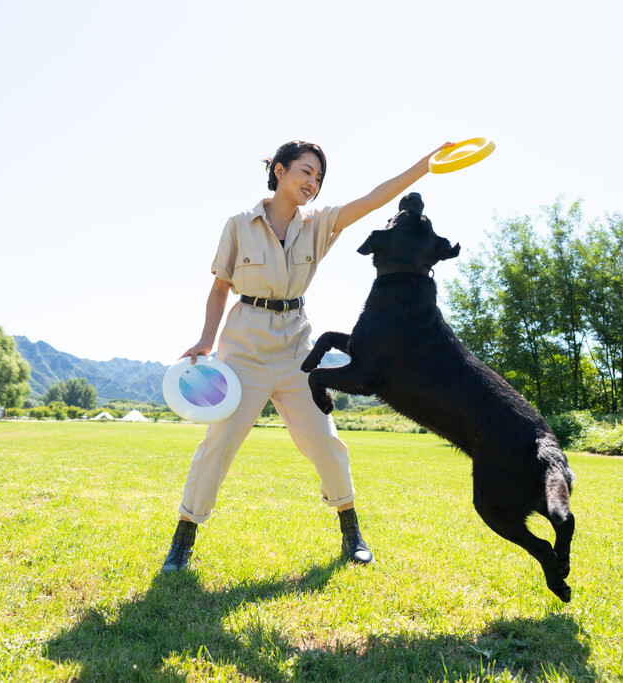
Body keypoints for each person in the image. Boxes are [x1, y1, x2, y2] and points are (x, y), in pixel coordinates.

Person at [162, 140, 451, 573]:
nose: (312, 183)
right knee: (219, 442)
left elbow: (375, 199)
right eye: (305, 172)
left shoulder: (319, 224)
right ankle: (183, 538)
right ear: (279, 170)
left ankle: (351, 531)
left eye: (318, 178)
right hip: (245, 350)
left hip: (297, 348)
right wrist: (206, 340)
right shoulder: (239, 225)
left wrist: (424, 167)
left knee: (325, 440)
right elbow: (221, 286)